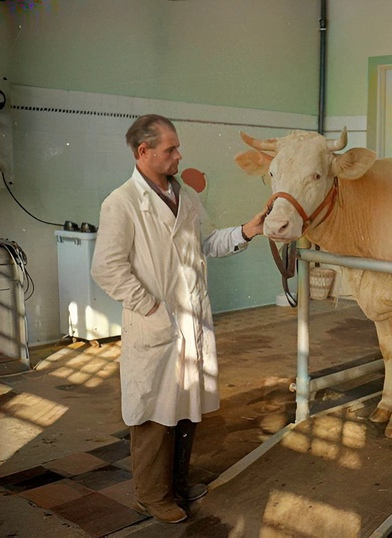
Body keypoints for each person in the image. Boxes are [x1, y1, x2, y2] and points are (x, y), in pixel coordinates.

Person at [91, 114, 266, 524]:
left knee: (187, 407)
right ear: (143, 152)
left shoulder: (182, 194)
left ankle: (178, 484)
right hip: (157, 323)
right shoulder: (122, 203)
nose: (178, 154)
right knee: (154, 413)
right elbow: (107, 268)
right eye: (170, 149)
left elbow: (202, 245)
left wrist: (246, 231)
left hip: (190, 323)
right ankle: (151, 496)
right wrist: (150, 307)